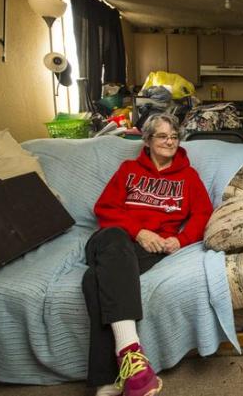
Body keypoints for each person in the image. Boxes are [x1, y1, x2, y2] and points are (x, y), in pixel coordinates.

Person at [82, 113, 213, 396]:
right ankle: (131, 351)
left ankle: (110, 379)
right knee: (116, 238)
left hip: (149, 249)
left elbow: (203, 213)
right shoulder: (129, 169)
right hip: (111, 240)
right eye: (162, 136)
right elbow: (104, 208)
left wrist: (180, 239)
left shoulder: (188, 177)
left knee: (95, 280)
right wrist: (139, 231)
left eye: (174, 137)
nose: (170, 142)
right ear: (148, 140)